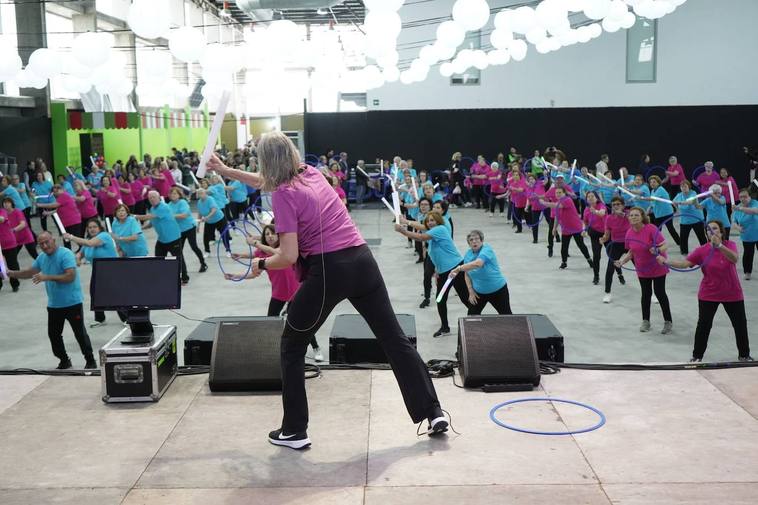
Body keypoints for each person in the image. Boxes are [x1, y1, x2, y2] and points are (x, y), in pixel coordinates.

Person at [207, 131, 448, 450]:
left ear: (266, 162)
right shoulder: (312, 173)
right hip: (363, 261)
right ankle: (432, 412)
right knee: (394, 339)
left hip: (329, 270)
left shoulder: (282, 195)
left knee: (292, 346)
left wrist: (261, 265)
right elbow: (264, 181)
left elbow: (289, 256)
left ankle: (294, 430)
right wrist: (225, 170)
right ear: (292, 154)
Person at [658, 220, 751, 362]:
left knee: (740, 325)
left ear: (721, 232)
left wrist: (719, 246)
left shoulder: (729, 245)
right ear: (706, 233)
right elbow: (684, 264)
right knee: (704, 325)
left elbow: (734, 259)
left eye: (715, 228)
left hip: (732, 293)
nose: (712, 231)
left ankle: (744, 355)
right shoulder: (702, 250)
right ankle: (697, 356)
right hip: (709, 294)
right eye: (709, 229)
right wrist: (666, 261)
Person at [233, 225, 324, 362]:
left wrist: (255, 242)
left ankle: (316, 348)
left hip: (296, 293)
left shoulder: (285, 249)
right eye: (267, 234)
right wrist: (235, 274)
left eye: (273, 233)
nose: (270, 236)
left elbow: (272, 251)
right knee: (270, 321)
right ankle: (271, 349)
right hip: (278, 294)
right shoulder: (262, 254)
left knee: (301, 323)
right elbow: (254, 270)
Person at [7, 232, 97, 369]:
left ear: (53, 240)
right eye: (41, 244)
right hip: (54, 304)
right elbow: (30, 272)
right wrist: (12, 273)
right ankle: (64, 360)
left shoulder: (66, 254)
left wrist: (47, 277)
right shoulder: (42, 257)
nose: (44, 246)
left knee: (79, 333)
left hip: (72, 302)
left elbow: (70, 277)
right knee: (54, 334)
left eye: (46, 242)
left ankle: (90, 360)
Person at [395, 211, 471, 337]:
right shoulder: (433, 232)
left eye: (433, 220)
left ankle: (476, 319)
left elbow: (420, 237)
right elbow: (422, 228)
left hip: (455, 269)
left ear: (438, 221)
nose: (430, 222)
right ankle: (445, 327)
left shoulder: (440, 229)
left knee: (464, 297)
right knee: (440, 299)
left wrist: (403, 231)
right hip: (444, 272)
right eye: (428, 220)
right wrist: (405, 222)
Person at [615, 207, 673, 334]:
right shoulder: (629, 233)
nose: (633, 217)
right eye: (631, 215)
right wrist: (622, 262)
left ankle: (668, 321)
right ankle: (646, 321)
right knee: (645, 294)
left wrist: (657, 250)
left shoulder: (651, 228)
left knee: (659, 292)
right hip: (642, 268)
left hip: (657, 266)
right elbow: (631, 251)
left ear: (642, 217)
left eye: (636, 215)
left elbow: (665, 245)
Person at [64, 219, 119, 327]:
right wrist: (78, 258)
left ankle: (127, 318)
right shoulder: (89, 239)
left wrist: (71, 237)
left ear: (99, 228)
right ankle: (100, 319)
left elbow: (89, 244)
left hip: (111, 271)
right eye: (90, 227)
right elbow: (81, 252)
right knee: (95, 294)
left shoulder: (104, 236)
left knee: (115, 295)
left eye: (94, 227)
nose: (92, 229)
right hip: (98, 272)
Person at [450, 230, 512, 315]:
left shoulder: (486, 249)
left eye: (477, 239)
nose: (474, 241)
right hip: (479, 293)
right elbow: (467, 273)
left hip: (497, 290)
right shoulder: (468, 254)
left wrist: (459, 268)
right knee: (471, 317)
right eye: (471, 240)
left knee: (507, 316)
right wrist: (471, 291)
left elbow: (478, 263)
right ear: (469, 243)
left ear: (482, 240)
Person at [135, 191, 189, 285]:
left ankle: (184, 278)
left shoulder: (163, 207)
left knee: (178, 259)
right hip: (162, 239)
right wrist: (141, 228)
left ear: (159, 197)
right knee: (159, 259)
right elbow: (152, 221)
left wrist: (134, 216)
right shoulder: (152, 208)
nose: (152, 199)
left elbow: (149, 217)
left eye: (154, 197)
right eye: (150, 198)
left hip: (173, 238)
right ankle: (161, 276)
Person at [540, 187, 593, 271]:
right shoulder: (558, 202)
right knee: (564, 247)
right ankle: (564, 262)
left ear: (564, 193)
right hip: (566, 229)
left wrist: (544, 203)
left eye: (560, 192)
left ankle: (589, 259)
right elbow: (557, 217)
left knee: (581, 245)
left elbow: (557, 206)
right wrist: (554, 228)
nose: (558, 194)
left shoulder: (567, 200)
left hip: (575, 227)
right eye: (557, 193)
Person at [167, 187, 208, 273]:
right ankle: (181, 268)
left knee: (194, 246)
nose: (173, 195)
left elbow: (184, 215)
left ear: (179, 195)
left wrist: (171, 216)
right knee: (178, 250)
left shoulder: (183, 202)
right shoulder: (169, 205)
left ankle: (203, 263)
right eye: (171, 193)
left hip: (189, 228)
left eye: (175, 193)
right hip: (179, 231)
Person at [599, 196, 628, 303]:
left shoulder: (630, 214)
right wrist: (603, 239)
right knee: (610, 269)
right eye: (613, 205)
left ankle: (651, 294)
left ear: (623, 206)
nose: (616, 206)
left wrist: (624, 215)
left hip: (630, 244)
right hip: (616, 245)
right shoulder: (609, 218)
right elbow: (607, 235)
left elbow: (641, 221)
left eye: (618, 204)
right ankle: (607, 293)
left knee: (640, 268)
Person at [671, 180, 706, 255]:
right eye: (682, 186)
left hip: (696, 219)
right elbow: (673, 202)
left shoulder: (693, 193)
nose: (683, 188)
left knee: (701, 236)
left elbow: (690, 201)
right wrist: (677, 209)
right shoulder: (679, 195)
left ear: (689, 187)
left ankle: (706, 250)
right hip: (684, 220)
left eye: (685, 186)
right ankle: (684, 252)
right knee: (683, 237)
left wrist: (679, 203)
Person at [196, 187, 230, 256]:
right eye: (199, 194)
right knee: (206, 237)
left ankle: (228, 250)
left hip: (219, 219)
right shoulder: (199, 202)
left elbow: (214, 210)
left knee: (224, 235)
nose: (200, 195)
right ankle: (207, 251)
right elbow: (199, 213)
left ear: (205, 193)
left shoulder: (210, 199)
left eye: (202, 193)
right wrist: (198, 225)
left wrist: (206, 217)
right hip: (209, 222)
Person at [732, 188, 758, 279]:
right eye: (740, 197)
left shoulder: (755, 203)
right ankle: (747, 272)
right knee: (748, 254)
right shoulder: (737, 207)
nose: (743, 199)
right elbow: (734, 222)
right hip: (747, 235)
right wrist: (738, 228)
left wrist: (740, 208)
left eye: (745, 196)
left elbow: (755, 211)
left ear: (750, 197)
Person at [647, 175, 681, 246]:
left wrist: (641, 198)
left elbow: (653, 199)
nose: (652, 183)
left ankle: (680, 243)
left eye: (654, 182)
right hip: (658, 214)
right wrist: (648, 210)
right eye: (651, 182)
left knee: (671, 229)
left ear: (658, 183)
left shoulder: (661, 190)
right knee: (657, 230)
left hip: (667, 213)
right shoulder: (652, 191)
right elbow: (652, 203)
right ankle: (657, 244)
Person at [583, 191, 607, 285]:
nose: (590, 198)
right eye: (588, 196)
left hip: (606, 233)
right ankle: (596, 276)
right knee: (596, 256)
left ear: (597, 198)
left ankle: (619, 273)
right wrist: (583, 230)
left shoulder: (601, 205)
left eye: (592, 196)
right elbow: (585, 221)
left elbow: (602, 213)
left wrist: (595, 211)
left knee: (612, 255)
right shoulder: (586, 209)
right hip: (594, 234)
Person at [0, 201, 20, 292]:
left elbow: (2, 219)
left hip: (8, 243)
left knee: (12, 264)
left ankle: (15, 284)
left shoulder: (2, 211)